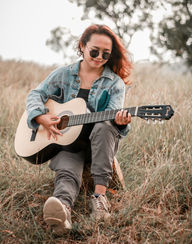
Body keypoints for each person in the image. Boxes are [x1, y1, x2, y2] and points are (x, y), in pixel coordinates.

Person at [26, 24, 132, 234]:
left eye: (106, 54)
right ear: (82, 46)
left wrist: (121, 121)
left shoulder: (115, 84)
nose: (99, 57)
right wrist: (41, 116)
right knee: (67, 173)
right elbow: (35, 94)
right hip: (65, 142)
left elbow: (111, 121)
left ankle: (99, 200)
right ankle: (62, 213)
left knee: (105, 123)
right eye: (94, 51)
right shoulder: (63, 74)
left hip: (98, 145)